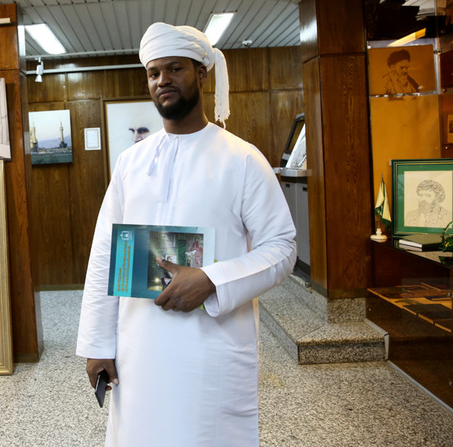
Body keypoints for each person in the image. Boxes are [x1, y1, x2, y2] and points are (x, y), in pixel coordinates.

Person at [76, 22, 297, 446]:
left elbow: (282, 247)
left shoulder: (242, 159)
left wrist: (212, 280)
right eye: (154, 73)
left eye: (175, 68)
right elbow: (106, 251)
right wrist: (97, 343)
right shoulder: (131, 162)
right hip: (138, 344)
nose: (163, 80)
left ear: (202, 73)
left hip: (210, 343)